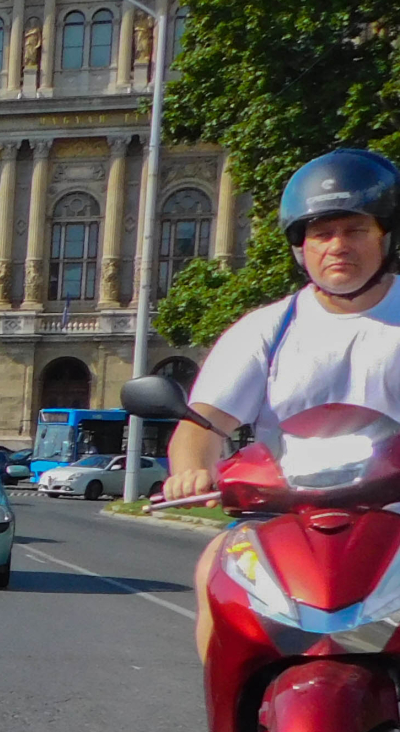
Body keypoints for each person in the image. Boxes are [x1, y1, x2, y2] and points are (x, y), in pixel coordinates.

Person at [165, 147, 400, 653]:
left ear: (386, 234)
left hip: (396, 517)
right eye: (321, 232)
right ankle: (228, 725)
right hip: (285, 521)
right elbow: (201, 426)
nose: (338, 245)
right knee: (215, 569)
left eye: (355, 229)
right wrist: (192, 470)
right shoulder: (267, 330)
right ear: (300, 246)